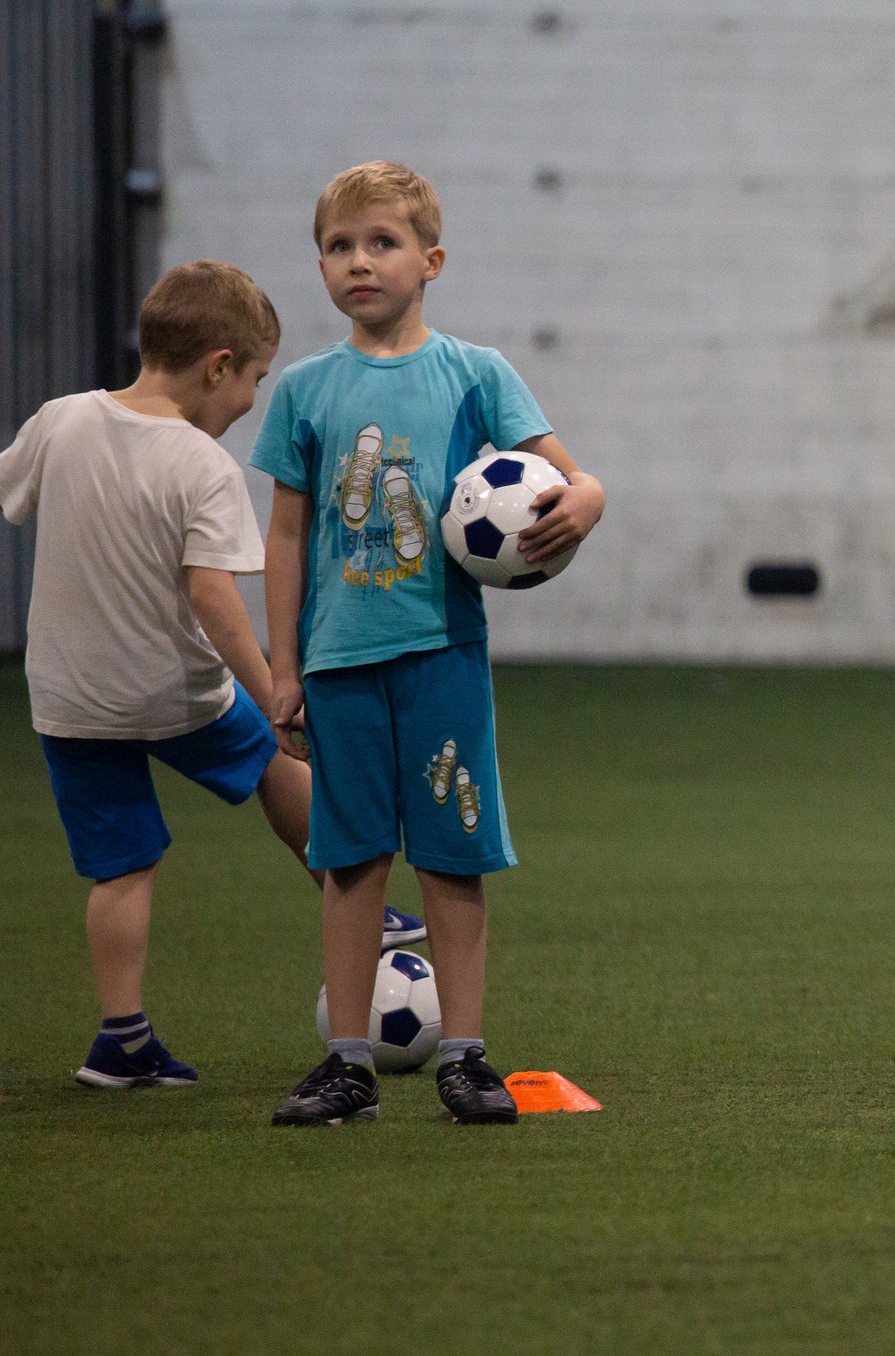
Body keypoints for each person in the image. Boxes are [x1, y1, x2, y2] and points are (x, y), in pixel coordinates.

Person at [256, 161, 605, 1127]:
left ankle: (465, 1057)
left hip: (441, 651)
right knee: (350, 860)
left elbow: (569, 475)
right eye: (339, 246)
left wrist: (587, 499)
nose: (359, 262)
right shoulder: (304, 389)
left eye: (383, 242)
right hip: (337, 660)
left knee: (451, 857)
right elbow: (285, 535)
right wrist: (282, 664)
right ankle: (346, 1064)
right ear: (320, 267)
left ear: (431, 260)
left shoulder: (476, 373)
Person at [1, 262, 358, 1089]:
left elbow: (13, 491)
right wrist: (275, 689)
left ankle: (121, 1039)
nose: (252, 399)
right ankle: (362, 906)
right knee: (275, 760)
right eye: (256, 379)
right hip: (175, 688)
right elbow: (212, 597)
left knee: (122, 863)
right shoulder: (203, 464)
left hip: (69, 697)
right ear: (218, 366)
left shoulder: (61, 419)